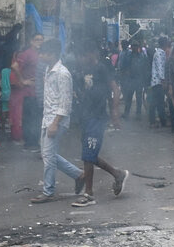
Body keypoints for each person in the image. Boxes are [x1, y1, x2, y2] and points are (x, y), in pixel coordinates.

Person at [71, 45, 129, 207]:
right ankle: (118, 174)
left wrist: (115, 113)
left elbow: (115, 90)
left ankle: (89, 194)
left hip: (97, 117)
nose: (81, 59)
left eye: (84, 54)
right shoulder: (80, 70)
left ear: (93, 52)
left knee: (88, 154)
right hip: (84, 116)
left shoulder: (102, 68)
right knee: (89, 154)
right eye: (79, 56)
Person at [30, 39, 85, 204]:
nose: (40, 55)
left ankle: (48, 191)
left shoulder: (62, 73)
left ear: (52, 53)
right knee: (48, 154)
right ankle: (79, 175)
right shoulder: (49, 69)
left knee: (48, 156)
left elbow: (65, 102)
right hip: (47, 118)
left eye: (43, 53)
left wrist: (55, 123)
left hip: (56, 119)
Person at [13, 32, 44, 147]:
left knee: (37, 117)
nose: (39, 42)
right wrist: (22, 81)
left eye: (41, 40)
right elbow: (15, 66)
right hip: (29, 92)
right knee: (30, 118)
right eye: (37, 39)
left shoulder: (42, 54)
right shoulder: (27, 54)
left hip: (39, 91)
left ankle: (35, 141)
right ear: (31, 41)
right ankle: (29, 142)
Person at [118, 40, 147, 118]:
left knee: (139, 98)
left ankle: (138, 114)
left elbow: (144, 67)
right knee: (129, 98)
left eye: (136, 46)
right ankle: (126, 113)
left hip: (139, 80)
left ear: (138, 47)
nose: (134, 47)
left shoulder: (142, 56)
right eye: (133, 46)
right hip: (130, 80)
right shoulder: (128, 55)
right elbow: (124, 66)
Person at [149, 35, 169, 128]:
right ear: (165, 44)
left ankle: (153, 121)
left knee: (155, 102)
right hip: (158, 82)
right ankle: (162, 122)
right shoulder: (160, 53)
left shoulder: (159, 53)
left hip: (155, 82)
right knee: (159, 102)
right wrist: (164, 81)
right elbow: (161, 69)